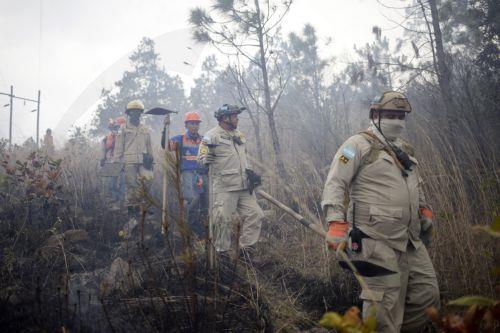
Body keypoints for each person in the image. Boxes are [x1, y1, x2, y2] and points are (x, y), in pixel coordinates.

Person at [321, 91, 440, 332]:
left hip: (410, 239)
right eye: (391, 115)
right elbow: (335, 182)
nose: (397, 121)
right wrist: (335, 221)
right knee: (383, 308)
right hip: (375, 239)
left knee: (427, 295)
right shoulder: (355, 146)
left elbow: (414, 183)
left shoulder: (405, 148)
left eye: (401, 116)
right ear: (375, 115)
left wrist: (423, 209)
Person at [197, 104, 264, 255]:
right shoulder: (211, 136)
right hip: (224, 188)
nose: (237, 119)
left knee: (256, 215)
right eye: (234, 116)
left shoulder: (239, 135)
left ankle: (247, 250)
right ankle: (222, 255)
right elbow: (200, 159)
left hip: (244, 186)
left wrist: (250, 172)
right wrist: (205, 158)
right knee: (222, 221)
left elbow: (243, 157)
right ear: (224, 118)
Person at [114, 100, 154, 237]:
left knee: (147, 182)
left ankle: (141, 210)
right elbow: (118, 147)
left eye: (138, 112)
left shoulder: (145, 129)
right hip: (129, 161)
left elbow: (149, 145)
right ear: (129, 113)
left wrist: (151, 158)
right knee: (131, 186)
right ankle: (132, 215)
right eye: (133, 111)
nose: (136, 114)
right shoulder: (123, 128)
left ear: (141, 114)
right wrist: (117, 162)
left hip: (144, 161)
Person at [169, 111, 208, 238]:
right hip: (187, 173)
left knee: (206, 200)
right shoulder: (180, 139)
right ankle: (190, 226)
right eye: (192, 123)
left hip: (202, 174)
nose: (194, 126)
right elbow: (166, 146)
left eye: (196, 123)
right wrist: (165, 128)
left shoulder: (204, 140)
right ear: (186, 125)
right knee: (192, 198)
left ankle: (204, 227)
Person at [99, 117, 126, 205]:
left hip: (125, 160)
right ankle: (116, 198)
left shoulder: (128, 134)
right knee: (113, 181)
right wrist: (103, 158)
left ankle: (121, 199)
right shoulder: (111, 136)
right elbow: (106, 146)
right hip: (115, 160)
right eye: (116, 127)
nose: (117, 129)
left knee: (123, 181)